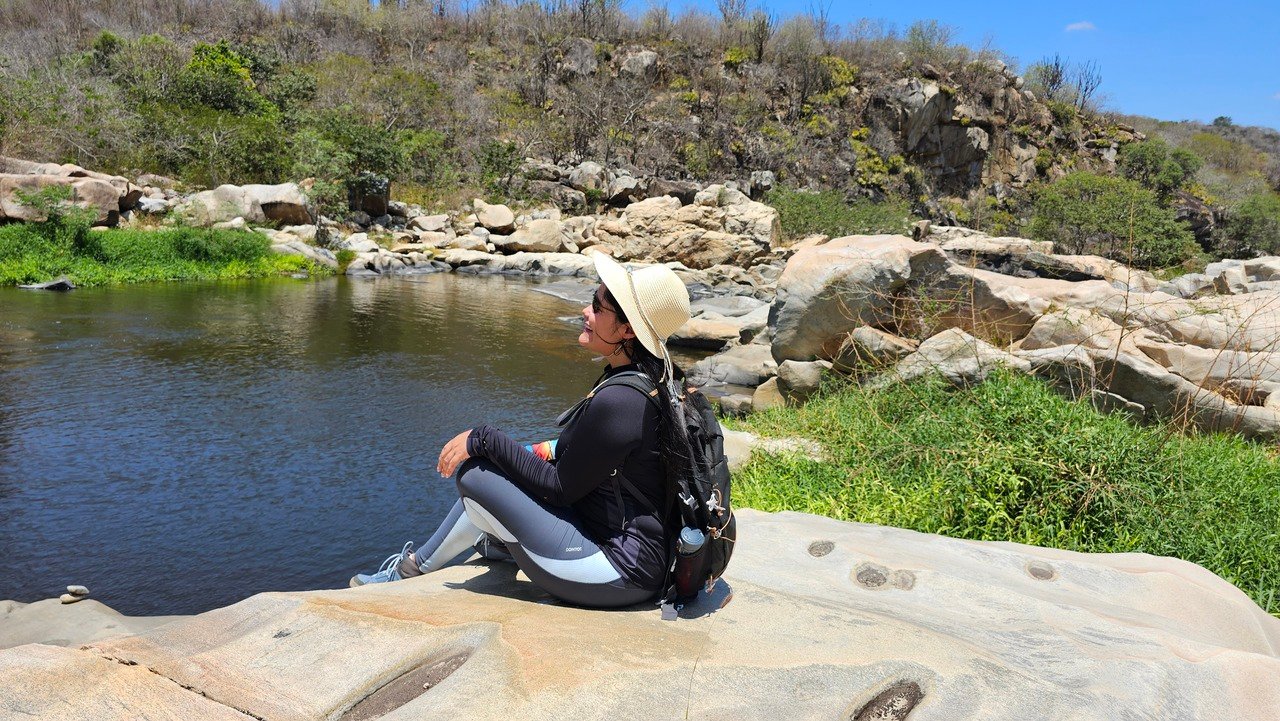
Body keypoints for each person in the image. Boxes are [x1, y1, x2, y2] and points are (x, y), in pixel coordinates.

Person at [349, 253, 694, 608]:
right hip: (640, 556)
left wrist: (483, 438)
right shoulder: (651, 380)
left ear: (626, 330)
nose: (585, 313)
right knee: (511, 463)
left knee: (476, 473)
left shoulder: (621, 400)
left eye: (596, 305)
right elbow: (592, 454)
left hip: (617, 571)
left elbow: (559, 488)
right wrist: (529, 452)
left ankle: (413, 571)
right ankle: (468, 550)